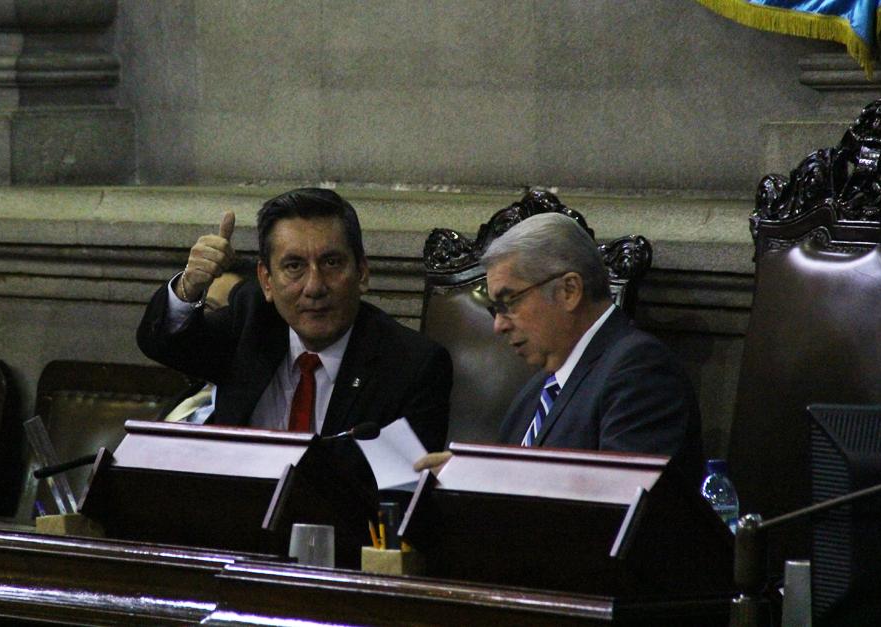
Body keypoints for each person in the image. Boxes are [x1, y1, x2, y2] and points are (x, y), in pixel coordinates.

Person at [138, 188, 452, 451]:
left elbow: (402, 496)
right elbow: (165, 344)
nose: (315, 287)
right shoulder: (251, 321)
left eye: (331, 262)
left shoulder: (412, 366)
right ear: (266, 281)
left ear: (363, 273)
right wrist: (189, 286)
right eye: (293, 266)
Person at [417, 212, 702, 481]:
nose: (499, 325)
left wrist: (480, 477)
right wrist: (467, 475)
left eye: (509, 302)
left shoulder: (640, 371)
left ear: (569, 291)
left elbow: (616, 501)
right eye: (496, 309)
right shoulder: (537, 390)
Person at [159, 257, 258, 424]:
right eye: (198, 308)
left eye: (209, 309)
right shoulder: (192, 394)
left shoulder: (256, 405)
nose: (196, 322)